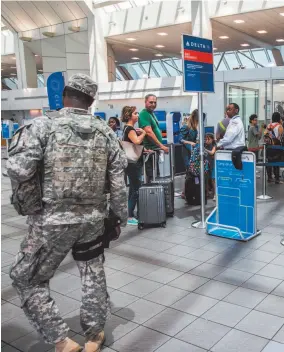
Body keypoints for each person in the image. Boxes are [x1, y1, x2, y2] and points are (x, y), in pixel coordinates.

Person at [7, 74, 128, 352]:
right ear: (91, 101)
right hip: (94, 221)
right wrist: (118, 217)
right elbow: (119, 184)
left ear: (64, 96)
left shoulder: (42, 126)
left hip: (52, 222)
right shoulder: (106, 132)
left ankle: (61, 340)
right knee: (92, 274)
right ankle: (95, 335)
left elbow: (19, 170)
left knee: (26, 278)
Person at [122, 106, 147, 225]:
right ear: (129, 115)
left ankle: (130, 213)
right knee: (136, 189)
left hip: (130, 162)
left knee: (133, 188)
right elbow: (136, 141)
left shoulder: (126, 128)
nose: (137, 115)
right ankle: (130, 216)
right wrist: (144, 133)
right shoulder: (130, 129)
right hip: (133, 163)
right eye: (135, 113)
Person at [138, 94, 169, 181]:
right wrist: (161, 146)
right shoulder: (144, 114)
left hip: (155, 151)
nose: (153, 104)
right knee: (151, 178)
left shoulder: (151, 114)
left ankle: (156, 194)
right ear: (145, 102)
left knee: (156, 176)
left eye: (155, 102)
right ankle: (150, 194)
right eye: (151, 102)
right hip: (150, 152)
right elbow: (149, 132)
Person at [266, 112, 284, 184]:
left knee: (269, 162)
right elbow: (281, 136)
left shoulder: (268, 125)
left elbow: (266, 136)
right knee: (276, 162)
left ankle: (269, 178)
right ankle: (277, 179)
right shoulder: (280, 126)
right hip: (277, 145)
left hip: (269, 146)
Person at [204, 133, 217, 200]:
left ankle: (215, 194)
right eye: (205, 139)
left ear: (212, 139)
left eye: (208, 139)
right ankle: (207, 193)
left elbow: (212, 152)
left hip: (213, 165)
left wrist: (204, 149)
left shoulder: (214, 145)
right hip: (207, 164)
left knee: (213, 180)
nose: (206, 140)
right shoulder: (205, 145)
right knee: (206, 179)